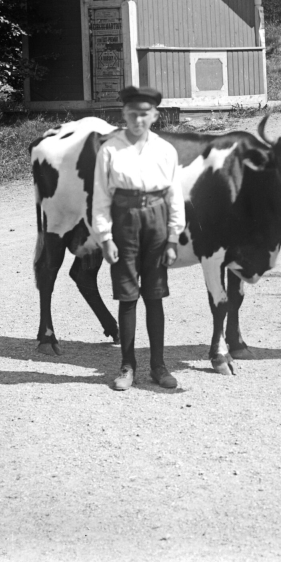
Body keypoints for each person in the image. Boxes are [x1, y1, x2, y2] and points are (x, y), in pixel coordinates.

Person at [92, 86, 185, 391]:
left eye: (145, 114)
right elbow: (101, 197)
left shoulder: (165, 149)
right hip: (124, 222)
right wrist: (105, 238)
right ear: (124, 114)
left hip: (157, 222)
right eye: (132, 113)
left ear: (155, 115)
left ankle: (158, 366)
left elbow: (174, 195)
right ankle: (127, 366)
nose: (138, 119)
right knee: (127, 295)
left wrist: (173, 238)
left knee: (154, 295)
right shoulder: (110, 149)